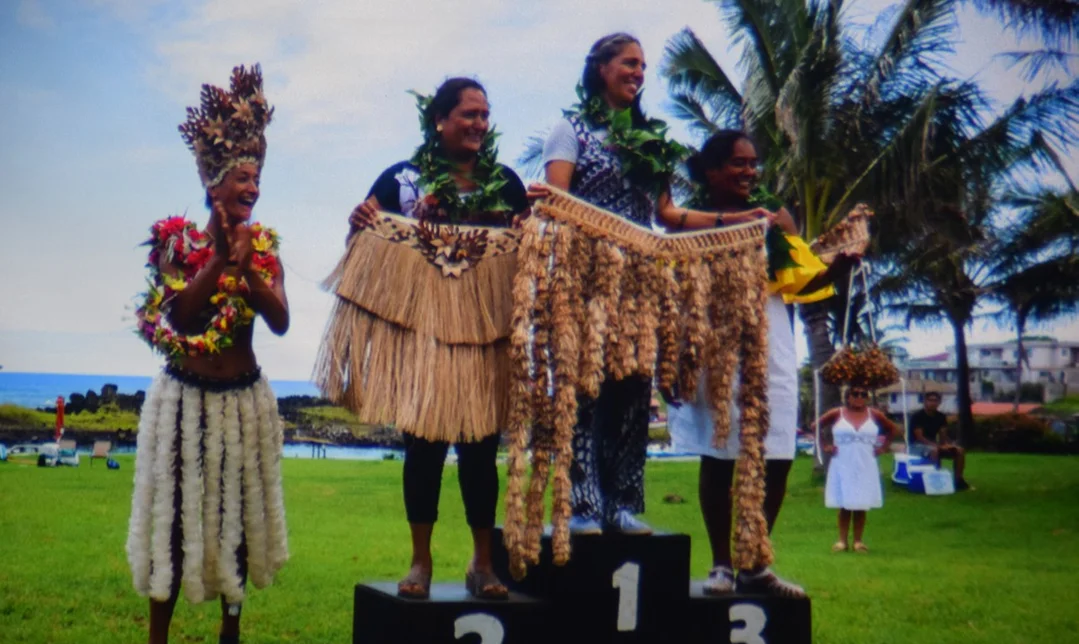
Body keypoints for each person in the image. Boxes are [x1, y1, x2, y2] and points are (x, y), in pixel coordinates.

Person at [539, 34, 766, 536]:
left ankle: (620, 503)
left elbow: (665, 214)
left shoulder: (654, 140)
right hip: (586, 277)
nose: (638, 72)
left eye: (642, 65)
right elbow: (556, 201)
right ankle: (579, 504)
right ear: (600, 68)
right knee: (584, 388)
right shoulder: (570, 129)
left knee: (632, 389)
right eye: (628, 63)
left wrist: (732, 218)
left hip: (641, 283)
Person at [127, 64, 289, 644]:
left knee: (241, 521)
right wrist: (220, 258)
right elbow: (183, 316)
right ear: (214, 182)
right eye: (243, 177)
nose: (253, 186)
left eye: (258, 177)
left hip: (243, 402)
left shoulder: (268, 246)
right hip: (185, 401)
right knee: (173, 520)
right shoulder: (175, 243)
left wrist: (248, 270)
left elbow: (277, 321)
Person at [348, 78, 528, 600]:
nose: (478, 124)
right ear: (440, 120)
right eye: (469, 114)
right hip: (423, 334)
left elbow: (531, 248)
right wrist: (360, 222)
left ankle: (482, 562)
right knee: (423, 449)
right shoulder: (402, 180)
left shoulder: (504, 181)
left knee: (479, 449)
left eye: (484, 116)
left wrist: (524, 224)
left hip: (480, 333)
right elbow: (362, 244)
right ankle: (420, 561)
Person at [665, 130, 859, 596]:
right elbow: (671, 293)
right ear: (711, 172)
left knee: (777, 456)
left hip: (772, 344)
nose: (749, 172)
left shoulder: (777, 217)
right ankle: (722, 565)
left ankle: (756, 561)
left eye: (754, 164)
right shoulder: (690, 222)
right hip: (714, 345)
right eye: (738, 163)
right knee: (720, 455)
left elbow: (802, 283)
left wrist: (840, 265)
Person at [813, 386, 900, 552]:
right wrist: (826, 446)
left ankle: (858, 541)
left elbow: (892, 429)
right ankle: (842, 541)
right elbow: (815, 426)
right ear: (847, 397)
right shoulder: (837, 413)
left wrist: (883, 447)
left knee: (861, 502)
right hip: (843, 461)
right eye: (855, 394)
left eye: (863, 394)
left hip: (866, 461)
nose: (859, 397)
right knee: (845, 502)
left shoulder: (874, 414)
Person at [909, 391, 971, 490]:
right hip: (916, 446)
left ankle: (958, 480)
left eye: (936, 401)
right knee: (934, 451)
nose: (933, 403)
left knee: (959, 451)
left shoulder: (941, 417)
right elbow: (920, 438)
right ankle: (935, 480)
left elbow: (943, 435)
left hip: (933, 445)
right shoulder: (917, 416)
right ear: (925, 401)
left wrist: (948, 445)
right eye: (930, 400)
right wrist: (937, 446)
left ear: (939, 402)